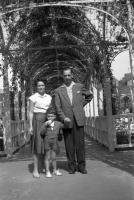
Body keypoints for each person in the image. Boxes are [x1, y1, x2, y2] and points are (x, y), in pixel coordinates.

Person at [54, 67, 93, 174]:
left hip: (78, 119)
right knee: (69, 145)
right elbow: (57, 107)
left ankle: (81, 167)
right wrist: (63, 117)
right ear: (63, 76)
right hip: (67, 121)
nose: (67, 77)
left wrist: (81, 105)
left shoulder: (79, 86)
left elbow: (89, 96)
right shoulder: (58, 90)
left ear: (72, 76)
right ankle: (71, 167)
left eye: (68, 75)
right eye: (65, 75)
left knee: (80, 144)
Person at [28, 78, 52, 178]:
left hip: (47, 121)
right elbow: (30, 112)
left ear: (45, 86)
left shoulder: (49, 97)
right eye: (39, 85)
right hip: (37, 121)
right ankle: (35, 170)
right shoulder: (33, 98)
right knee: (37, 145)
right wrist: (30, 126)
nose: (41, 87)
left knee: (45, 145)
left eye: (42, 85)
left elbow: (51, 111)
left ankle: (44, 167)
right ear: (36, 87)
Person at [40, 106, 63, 178]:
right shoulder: (44, 124)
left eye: (51, 116)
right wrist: (45, 126)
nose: (50, 118)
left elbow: (64, 126)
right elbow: (42, 133)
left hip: (55, 142)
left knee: (54, 157)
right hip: (47, 142)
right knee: (47, 157)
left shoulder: (58, 124)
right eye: (48, 116)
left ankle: (55, 170)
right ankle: (47, 171)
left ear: (55, 116)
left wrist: (67, 120)